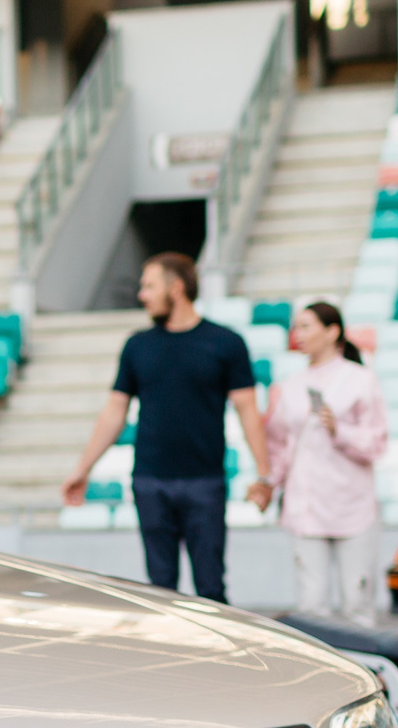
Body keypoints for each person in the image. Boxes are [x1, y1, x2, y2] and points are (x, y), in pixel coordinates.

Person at [63, 252, 270, 601]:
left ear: (176, 288)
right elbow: (115, 411)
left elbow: (248, 410)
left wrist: (263, 475)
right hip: (149, 481)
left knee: (211, 588)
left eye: (149, 286)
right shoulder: (137, 345)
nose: (141, 295)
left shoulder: (225, 343)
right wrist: (83, 469)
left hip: (205, 482)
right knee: (160, 590)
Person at [262, 301, 388, 620]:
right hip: (306, 505)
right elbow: (277, 443)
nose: (298, 334)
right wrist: (268, 482)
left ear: (332, 332)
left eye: (306, 326)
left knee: (357, 601)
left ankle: (365, 669)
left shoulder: (360, 380)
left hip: (351, 504)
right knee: (311, 602)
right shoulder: (290, 386)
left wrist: (339, 430)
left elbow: (377, 443)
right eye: (296, 327)